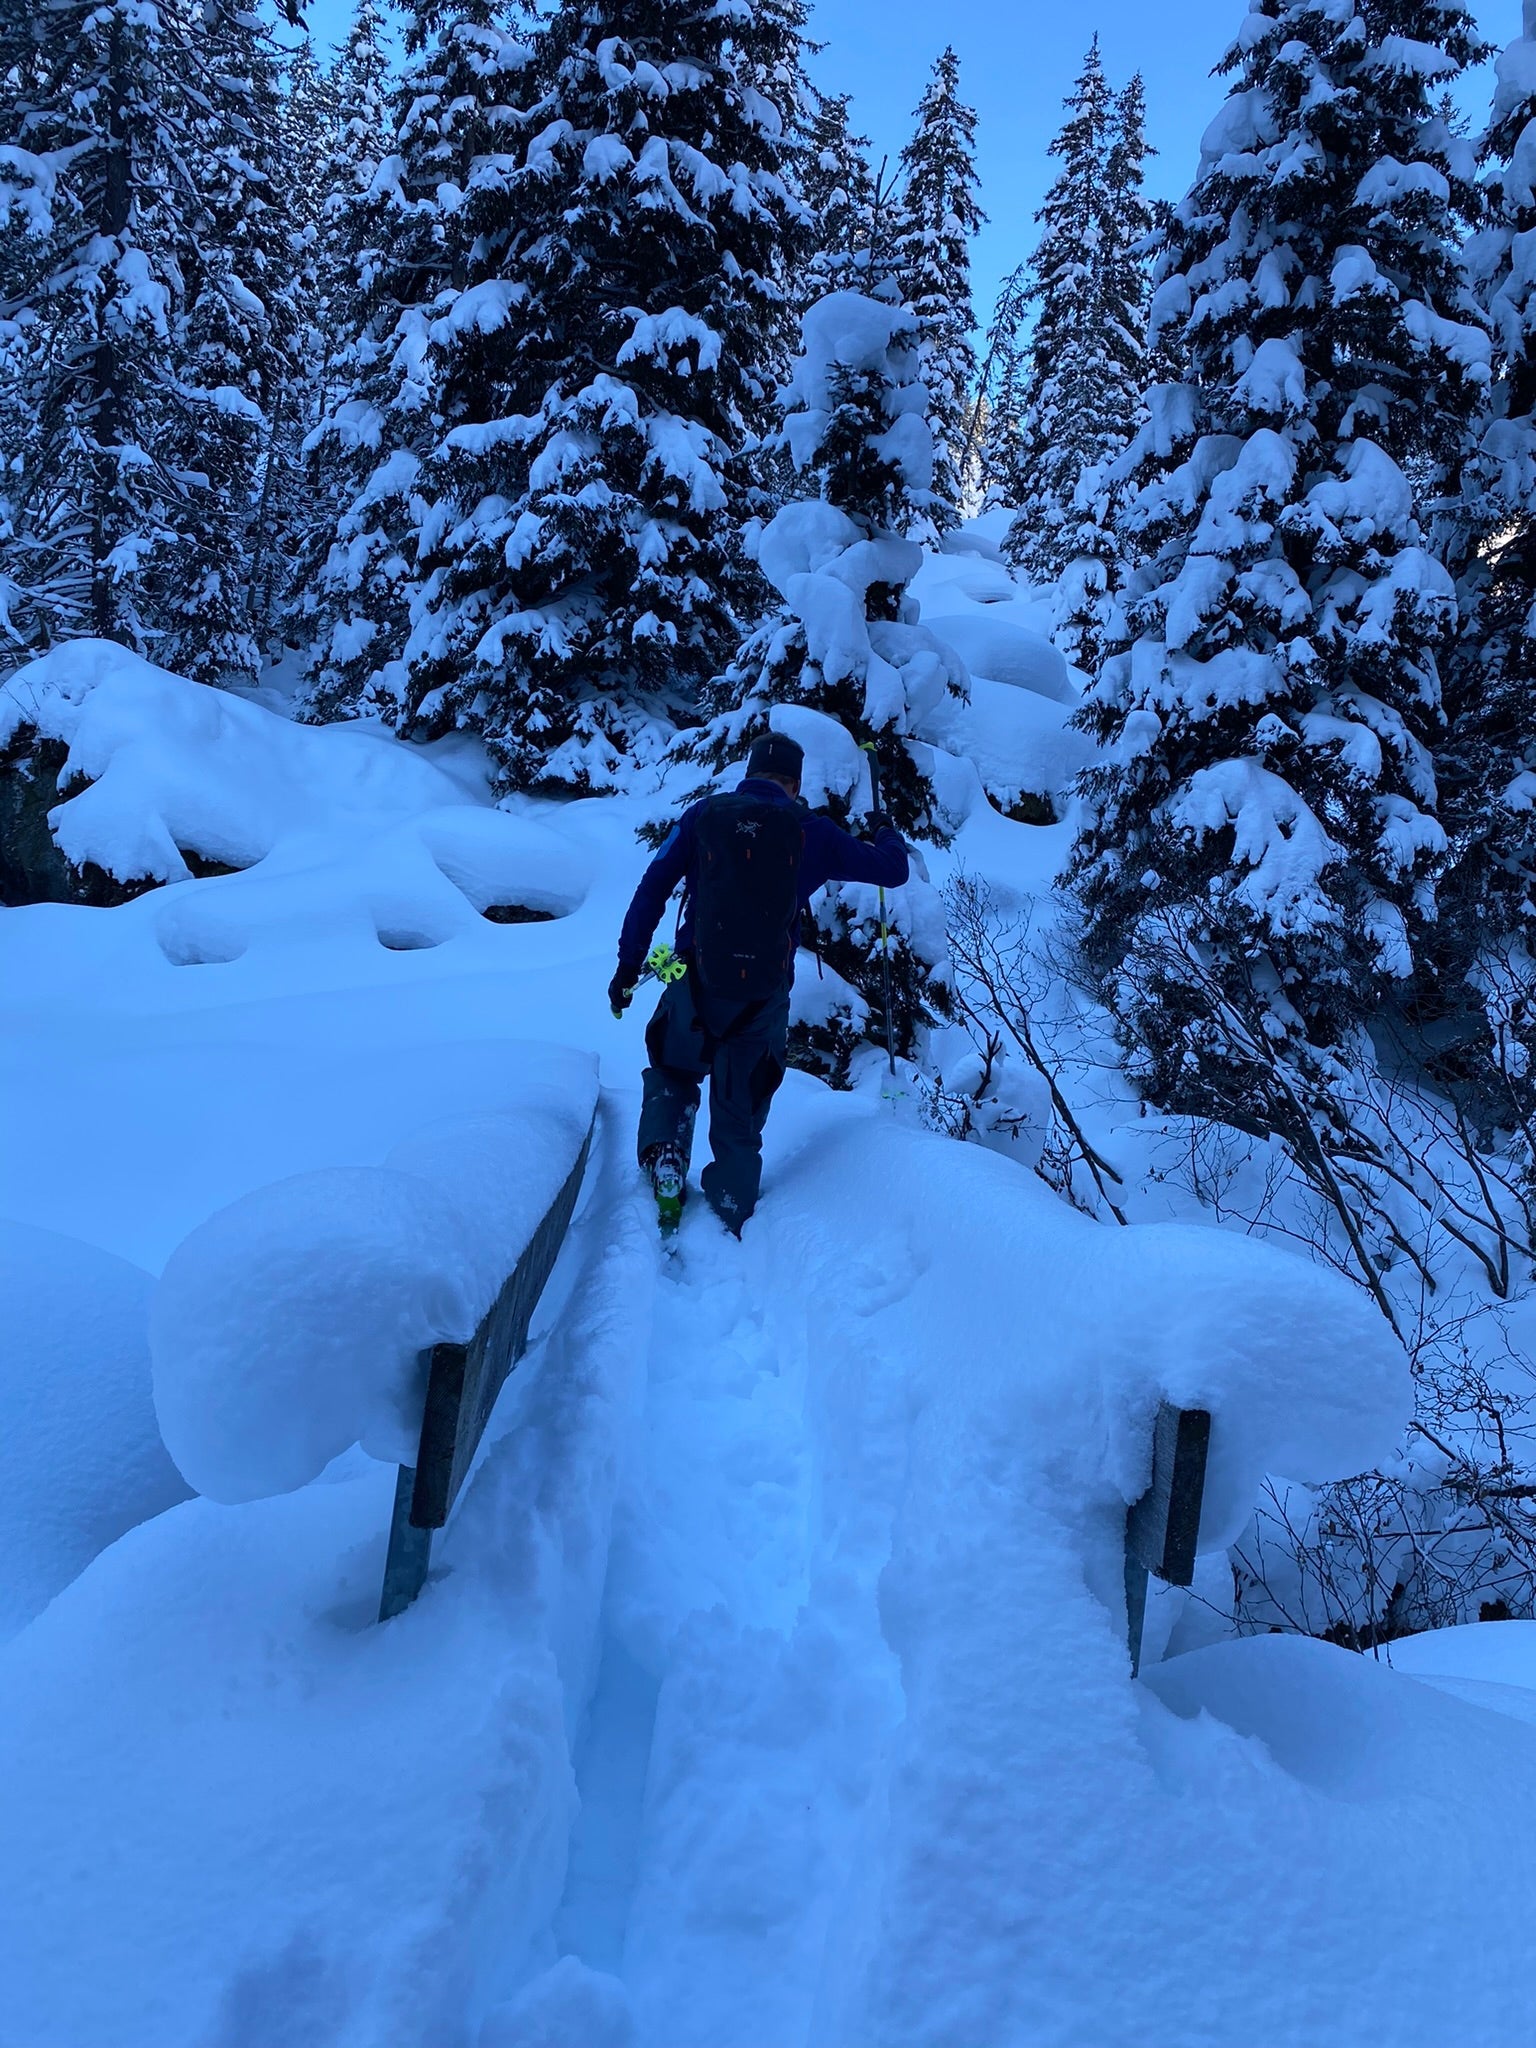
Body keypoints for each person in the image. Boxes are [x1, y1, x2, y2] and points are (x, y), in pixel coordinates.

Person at [609, 731, 909, 1236]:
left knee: (673, 1069)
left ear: (748, 774)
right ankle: (728, 1213)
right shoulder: (812, 831)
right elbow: (893, 870)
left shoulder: (703, 816)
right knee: (740, 1115)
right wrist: (884, 830)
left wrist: (626, 968)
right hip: (762, 999)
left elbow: (651, 888)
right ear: (795, 784)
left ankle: (667, 1155)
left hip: (693, 983)